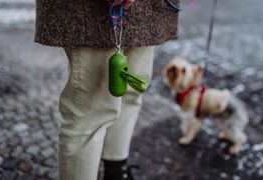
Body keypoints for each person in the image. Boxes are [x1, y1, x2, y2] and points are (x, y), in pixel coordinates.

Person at [34, 0, 179, 179]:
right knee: (90, 112)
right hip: (92, 11)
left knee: (131, 93)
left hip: (149, 9)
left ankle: (116, 172)